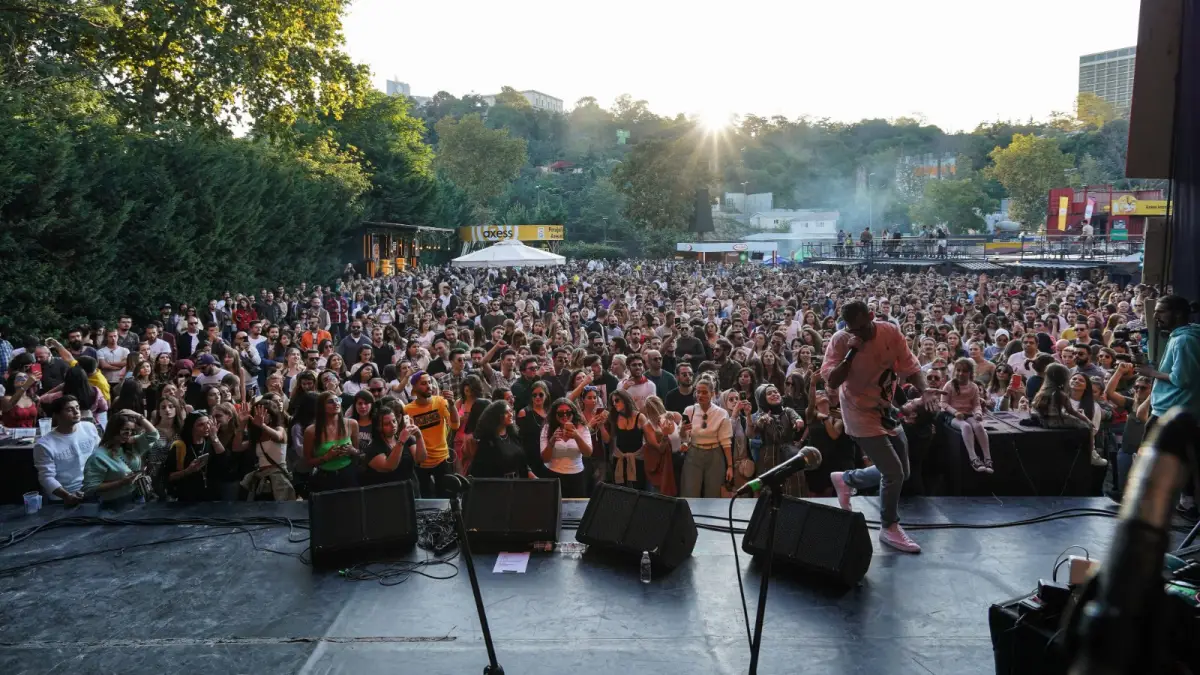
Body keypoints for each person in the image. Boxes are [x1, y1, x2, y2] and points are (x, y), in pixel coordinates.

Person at [822, 300, 930, 554]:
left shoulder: (890, 332)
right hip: (857, 411)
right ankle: (889, 526)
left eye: (861, 328)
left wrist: (925, 392)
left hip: (885, 407)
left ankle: (847, 479)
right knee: (893, 473)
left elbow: (911, 365)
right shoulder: (841, 340)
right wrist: (851, 353)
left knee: (902, 471)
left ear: (871, 316)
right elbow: (833, 380)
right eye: (852, 329)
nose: (856, 333)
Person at [83, 409, 159, 507]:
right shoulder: (98, 457)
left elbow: (154, 435)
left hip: (138, 498)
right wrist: (121, 482)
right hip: (115, 504)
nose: (129, 435)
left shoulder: (131, 444)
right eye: (125, 430)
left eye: (132, 431)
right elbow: (90, 487)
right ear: (114, 429)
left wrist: (139, 416)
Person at [33, 396, 101, 505]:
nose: (76, 412)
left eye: (77, 407)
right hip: (62, 499)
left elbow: (100, 455)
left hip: (91, 490)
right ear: (57, 415)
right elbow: (46, 477)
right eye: (69, 409)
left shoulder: (89, 428)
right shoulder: (44, 445)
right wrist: (66, 496)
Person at [404, 371, 459, 497]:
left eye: (429, 382)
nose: (429, 386)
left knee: (447, 498)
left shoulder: (440, 402)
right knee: (427, 500)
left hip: (442, 459)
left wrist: (451, 404)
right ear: (414, 388)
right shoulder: (407, 410)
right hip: (422, 463)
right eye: (423, 383)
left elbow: (455, 425)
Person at [678, 377, 732, 497]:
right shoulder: (689, 410)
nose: (700, 395)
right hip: (694, 453)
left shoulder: (721, 413)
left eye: (704, 392)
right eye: (698, 392)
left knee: (713, 494)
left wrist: (730, 466)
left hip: (715, 454)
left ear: (712, 394)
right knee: (689, 492)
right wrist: (682, 430)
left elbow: (726, 442)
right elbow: (684, 437)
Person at [750, 383, 807, 497]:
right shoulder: (761, 415)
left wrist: (798, 422)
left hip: (789, 456)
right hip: (769, 458)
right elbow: (754, 429)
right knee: (770, 491)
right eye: (769, 393)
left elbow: (797, 418)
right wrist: (763, 421)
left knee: (793, 489)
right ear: (763, 399)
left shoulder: (788, 411)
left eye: (776, 392)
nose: (774, 394)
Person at [303, 390, 361, 493]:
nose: (336, 403)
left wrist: (352, 451)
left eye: (338, 400)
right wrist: (327, 457)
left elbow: (359, 452)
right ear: (322, 406)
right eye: (330, 401)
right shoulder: (311, 431)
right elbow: (308, 461)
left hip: (348, 475)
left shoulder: (352, 424)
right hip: (325, 478)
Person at [943, 358, 993, 474]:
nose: (961, 374)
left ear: (970, 372)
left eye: (964, 371)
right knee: (966, 427)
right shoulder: (949, 385)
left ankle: (987, 458)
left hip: (968, 414)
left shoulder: (974, 387)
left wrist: (978, 413)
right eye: (958, 370)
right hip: (952, 416)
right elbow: (943, 403)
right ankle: (973, 458)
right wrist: (955, 412)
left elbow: (976, 404)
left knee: (978, 426)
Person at [602, 388, 658, 491]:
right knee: (620, 492)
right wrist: (601, 426)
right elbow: (607, 440)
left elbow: (650, 441)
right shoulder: (613, 417)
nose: (614, 403)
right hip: (619, 459)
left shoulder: (640, 417)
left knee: (638, 490)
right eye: (613, 402)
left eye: (617, 400)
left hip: (638, 460)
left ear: (625, 400)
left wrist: (662, 445)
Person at [240, 395, 293, 501]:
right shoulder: (257, 435)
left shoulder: (279, 429)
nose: (261, 416)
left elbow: (279, 436)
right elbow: (237, 447)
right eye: (258, 414)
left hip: (278, 479)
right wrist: (242, 425)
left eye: (265, 413)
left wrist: (263, 425)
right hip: (261, 479)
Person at [363, 407, 425, 493]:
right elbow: (389, 466)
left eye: (394, 421)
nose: (393, 425)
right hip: (389, 494)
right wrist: (401, 441)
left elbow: (420, 459)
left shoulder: (408, 440)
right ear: (378, 427)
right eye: (387, 424)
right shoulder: (373, 448)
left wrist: (419, 436)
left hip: (411, 490)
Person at [540, 398, 592, 497]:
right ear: (555, 415)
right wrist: (552, 441)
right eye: (560, 413)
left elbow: (588, 453)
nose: (565, 416)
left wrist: (577, 436)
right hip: (554, 474)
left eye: (568, 413)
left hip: (576, 475)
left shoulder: (582, 428)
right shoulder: (547, 428)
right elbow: (545, 458)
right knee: (555, 508)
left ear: (573, 413)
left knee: (576, 508)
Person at [469, 400, 532, 479]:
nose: (510, 414)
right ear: (496, 416)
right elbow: (481, 471)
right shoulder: (487, 441)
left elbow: (523, 463)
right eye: (506, 412)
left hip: (517, 485)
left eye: (510, 411)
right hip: (498, 486)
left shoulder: (514, 436)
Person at [164, 410, 214, 502]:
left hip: (208, 497)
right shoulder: (180, 446)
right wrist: (188, 471)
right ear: (191, 427)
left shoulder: (210, 444)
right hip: (185, 498)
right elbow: (168, 477)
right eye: (201, 424)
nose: (207, 427)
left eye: (208, 423)